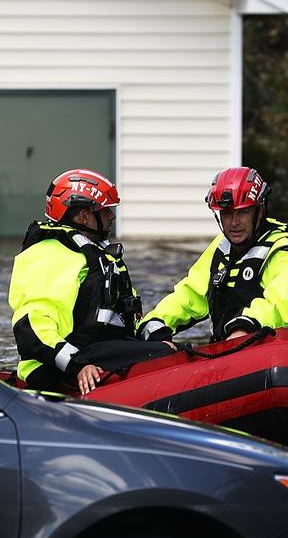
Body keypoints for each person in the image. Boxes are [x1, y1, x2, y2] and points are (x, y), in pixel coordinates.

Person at [9, 168, 175, 395]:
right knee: (162, 356)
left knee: (167, 351)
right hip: (56, 366)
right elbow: (31, 328)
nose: (112, 216)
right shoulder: (50, 255)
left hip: (95, 349)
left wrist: (153, 336)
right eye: (106, 210)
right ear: (84, 216)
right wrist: (77, 365)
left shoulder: (99, 256)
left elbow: (119, 320)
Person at [136, 166, 288, 344]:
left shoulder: (287, 248)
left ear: (260, 210)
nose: (234, 223)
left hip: (266, 352)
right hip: (224, 351)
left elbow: (277, 303)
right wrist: (156, 322)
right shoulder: (223, 245)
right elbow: (190, 295)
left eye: (242, 212)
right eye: (227, 214)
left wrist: (243, 328)